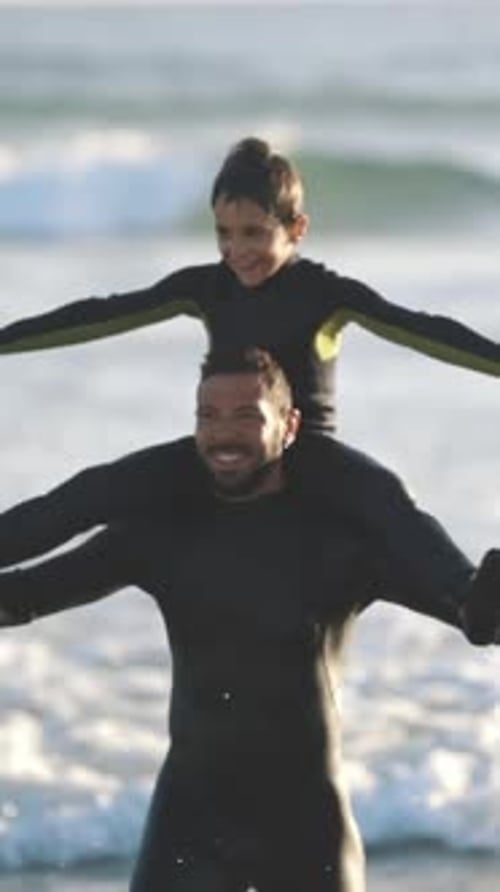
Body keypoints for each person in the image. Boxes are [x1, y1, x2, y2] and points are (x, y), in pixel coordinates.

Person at [0, 348, 498, 892]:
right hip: (189, 827)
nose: (223, 434)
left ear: (290, 426)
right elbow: (25, 597)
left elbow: (469, 612)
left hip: (306, 831)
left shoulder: (345, 546)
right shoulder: (162, 535)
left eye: (246, 416)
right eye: (208, 416)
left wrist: (484, 603)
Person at [0, 136, 498, 572]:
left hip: (310, 460)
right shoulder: (206, 288)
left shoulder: (327, 294)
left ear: (296, 229)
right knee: (93, 490)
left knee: (388, 499)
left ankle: (473, 597)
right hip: (222, 453)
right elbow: (100, 314)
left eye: (254, 232)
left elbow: (424, 330)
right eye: (224, 233)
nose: (237, 249)